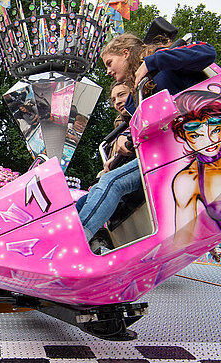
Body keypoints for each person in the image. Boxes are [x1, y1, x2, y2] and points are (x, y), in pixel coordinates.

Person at [78, 32, 216, 249]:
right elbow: (145, 133)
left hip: (193, 144)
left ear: (125, 53)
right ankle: (88, 237)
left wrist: (153, 61)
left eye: (109, 63)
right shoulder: (135, 99)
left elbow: (208, 52)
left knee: (112, 183)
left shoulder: (163, 60)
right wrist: (125, 140)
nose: (108, 71)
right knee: (94, 190)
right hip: (165, 155)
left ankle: (76, 243)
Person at [171, 88, 221, 244]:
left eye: (216, 130)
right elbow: (181, 244)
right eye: (196, 135)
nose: (210, 141)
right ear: (182, 134)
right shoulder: (188, 180)